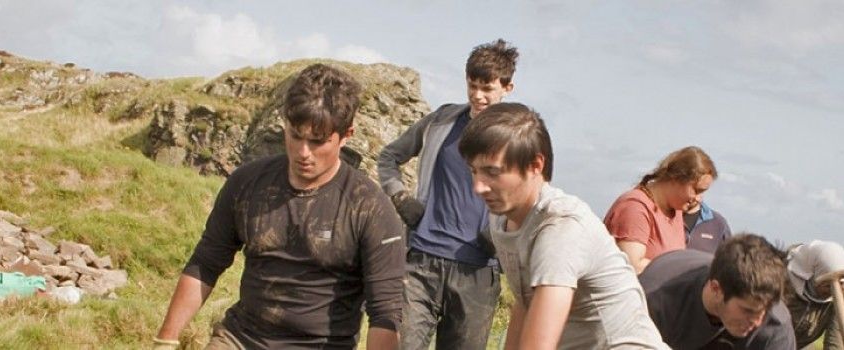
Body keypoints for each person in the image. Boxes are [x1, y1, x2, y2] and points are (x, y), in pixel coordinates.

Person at [154, 64, 406, 349]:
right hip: (240, 340)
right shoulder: (246, 183)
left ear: (346, 135)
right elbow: (205, 264)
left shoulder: (371, 209)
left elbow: (386, 313)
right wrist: (165, 340)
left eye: (317, 141)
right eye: (295, 135)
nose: (303, 152)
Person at [459, 103, 669, 349]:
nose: (478, 187)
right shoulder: (501, 217)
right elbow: (524, 301)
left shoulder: (560, 231)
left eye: (492, 172)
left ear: (535, 165)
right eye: (473, 171)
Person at [376, 39, 519, 350]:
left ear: (508, 88)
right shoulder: (441, 120)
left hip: (477, 273)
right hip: (420, 264)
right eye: (473, 85)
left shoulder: (517, 140)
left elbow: (529, 201)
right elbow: (388, 158)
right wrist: (401, 199)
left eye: (488, 88)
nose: (478, 96)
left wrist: (499, 233)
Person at [639, 234, 796, 350]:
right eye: (748, 310)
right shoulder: (655, 302)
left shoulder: (775, 326)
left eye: (765, 310)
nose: (757, 322)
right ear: (716, 289)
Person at [607, 146, 718, 272]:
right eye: (696, 190)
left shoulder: (676, 211)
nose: (699, 199)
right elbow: (632, 266)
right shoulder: (635, 208)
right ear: (676, 179)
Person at [783, 241, 844, 350]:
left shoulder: (843, 291)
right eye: (827, 286)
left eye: (840, 283)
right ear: (811, 276)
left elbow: (836, 336)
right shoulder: (781, 282)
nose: (834, 291)